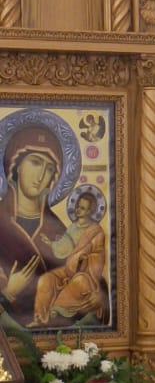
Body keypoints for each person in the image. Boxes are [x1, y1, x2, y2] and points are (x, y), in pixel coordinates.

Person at [0, 125, 67, 326]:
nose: (41, 176)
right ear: (16, 165)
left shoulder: (58, 231)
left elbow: (85, 282)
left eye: (49, 169)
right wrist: (7, 291)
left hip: (52, 329)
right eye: (35, 162)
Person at [33, 190, 109, 326]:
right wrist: (50, 243)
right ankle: (40, 318)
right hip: (69, 269)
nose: (78, 210)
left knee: (79, 282)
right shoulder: (73, 227)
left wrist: (85, 256)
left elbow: (98, 256)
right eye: (78, 206)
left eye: (83, 208)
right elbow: (64, 247)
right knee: (46, 279)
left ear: (90, 211)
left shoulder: (96, 231)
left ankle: (55, 311)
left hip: (87, 275)